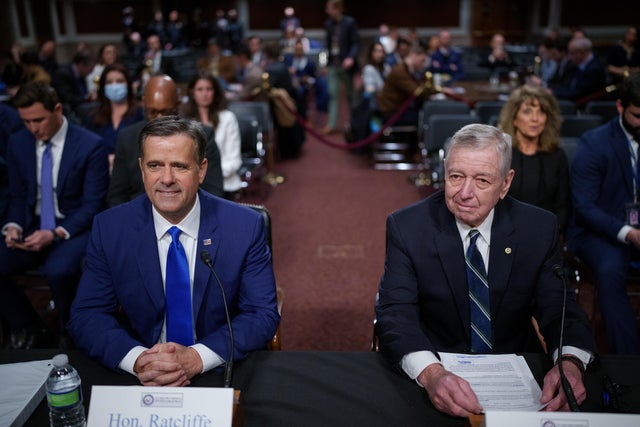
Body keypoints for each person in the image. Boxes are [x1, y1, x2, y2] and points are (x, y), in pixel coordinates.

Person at [375, 123, 596, 417]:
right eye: (456, 177)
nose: (465, 193)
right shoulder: (407, 227)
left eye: (482, 180)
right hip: (437, 365)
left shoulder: (537, 229)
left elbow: (559, 308)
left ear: (505, 184)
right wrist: (430, 374)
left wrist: (569, 362)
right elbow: (396, 311)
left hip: (517, 373)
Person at [68, 116, 280, 384]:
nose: (166, 179)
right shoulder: (110, 228)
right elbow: (87, 314)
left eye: (179, 166)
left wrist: (197, 357)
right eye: (155, 165)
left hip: (217, 365)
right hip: (143, 371)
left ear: (201, 170)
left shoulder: (244, 226)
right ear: (141, 168)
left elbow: (261, 313)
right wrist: (139, 360)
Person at [0, 82, 109, 348]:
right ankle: (31, 328)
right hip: (33, 224)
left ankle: (69, 335)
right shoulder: (19, 142)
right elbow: (17, 196)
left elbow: (93, 205)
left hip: (73, 227)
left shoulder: (90, 145)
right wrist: (12, 225)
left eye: (38, 120)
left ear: (57, 110)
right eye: (26, 121)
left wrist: (55, 233)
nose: (33, 128)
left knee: (58, 270)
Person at [566, 72, 640, 355]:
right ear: (620, 107)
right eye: (637, 116)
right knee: (611, 271)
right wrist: (630, 233)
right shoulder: (594, 143)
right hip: (598, 232)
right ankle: (630, 363)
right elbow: (585, 208)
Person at [108, 75, 223, 207]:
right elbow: (117, 196)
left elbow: (214, 191)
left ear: (177, 104)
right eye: (153, 112)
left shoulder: (202, 135)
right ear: (144, 103)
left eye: (166, 112)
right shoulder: (127, 138)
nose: (159, 119)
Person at [498, 84, 570, 231]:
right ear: (514, 118)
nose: (535, 119)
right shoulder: (500, 154)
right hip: (504, 232)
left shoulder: (557, 155)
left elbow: (563, 206)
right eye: (527, 111)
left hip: (546, 232)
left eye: (541, 112)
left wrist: (551, 233)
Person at [181, 71, 242, 198]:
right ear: (192, 92)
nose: (204, 94)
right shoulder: (184, 121)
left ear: (215, 92)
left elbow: (234, 161)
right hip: (190, 186)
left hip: (224, 184)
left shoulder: (228, 118)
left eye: (209, 89)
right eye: (200, 89)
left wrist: (206, 175)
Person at [85, 63, 144, 168]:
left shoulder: (140, 114)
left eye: (120, 81)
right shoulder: (94, 117)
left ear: (128, 84)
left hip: (132, 171)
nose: (114, 86)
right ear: (103, 87)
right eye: (109, 82)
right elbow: (88, 148)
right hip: (101, 171)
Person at [321, 0, 360, 134]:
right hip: (333, 64)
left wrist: (351, 57)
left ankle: (355, 122)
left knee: (351, 95)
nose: (327, 11)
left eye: (329, 8)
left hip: (346, 65)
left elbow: (355, 43)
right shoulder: (328, 24)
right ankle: (331, 124)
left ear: (337, 9)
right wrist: (326, 63)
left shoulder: (350, 22)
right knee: (332, 94)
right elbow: (328, 45)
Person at [377, 42, 431, 127]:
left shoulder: (407, 70)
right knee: (426, 119)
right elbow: (417, 91)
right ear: (414, 56)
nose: (423, 64)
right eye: (422, 60)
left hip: (398, 111)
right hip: (392, 114)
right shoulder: (400, 71)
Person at [549, 36, 606, 102]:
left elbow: (579, 93)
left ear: (581, 53)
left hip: (586, 106)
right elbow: (568, 86)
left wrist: (553, 92)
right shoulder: (579, 65)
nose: (569, 57)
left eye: (572, 53)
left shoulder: (594, 69)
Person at [52, 48, 95, 113]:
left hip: (80, 105)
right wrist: (86, 99)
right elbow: (67, 98)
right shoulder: (63, 74)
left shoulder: (81, 75)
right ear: (81, 64)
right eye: (90, 68)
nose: (91, 72)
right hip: (69, 108)